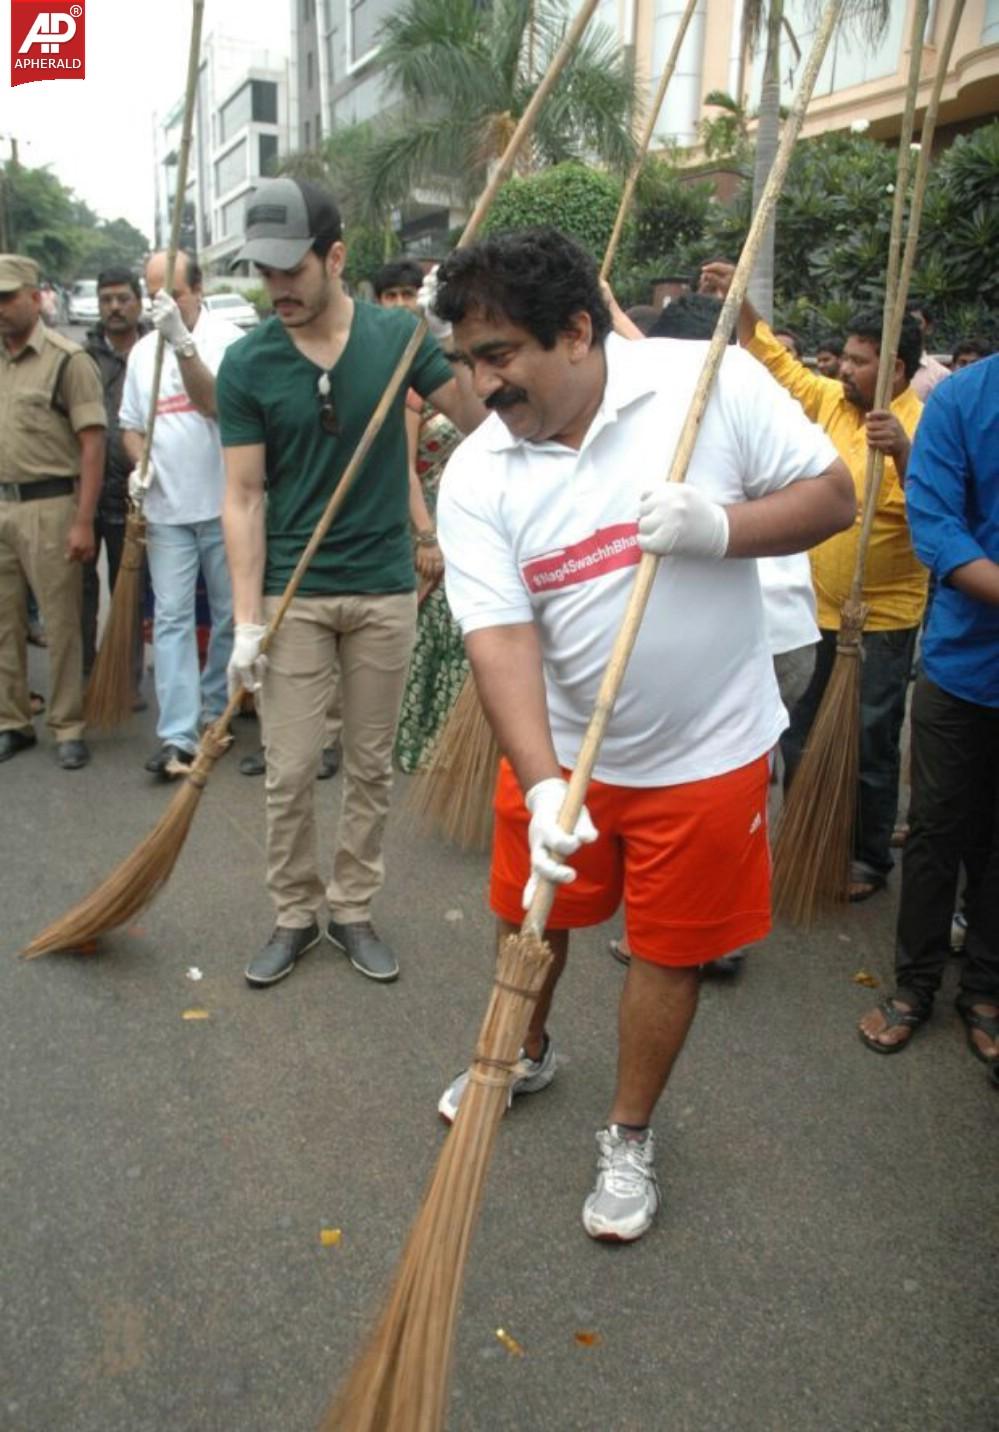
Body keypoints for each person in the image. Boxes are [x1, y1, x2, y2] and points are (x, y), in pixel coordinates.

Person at [431, 229, 853, 1242]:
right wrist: (539, 786)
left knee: (667, 954)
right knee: (529, 916)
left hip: (705, 754)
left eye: (500, 356)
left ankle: (629, 1133)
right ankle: (525, 1048)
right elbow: (499, 638)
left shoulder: (706, 386)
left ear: (576, 331)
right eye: (467, 360)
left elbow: (833, 497)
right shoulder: (479, 473)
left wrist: (720, 525)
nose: (481, 383)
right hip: (564, 750)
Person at [218, 177, 485, 988]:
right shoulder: (248, 362)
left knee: (369, 767)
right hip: (291, 598)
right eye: (264, 274)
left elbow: (481, 418)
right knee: (292, 769)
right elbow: (242, 496)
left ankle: (353, 907)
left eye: (291, 270)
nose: (277, 290)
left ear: (335, 256)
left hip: (382, 589)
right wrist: (243, 623)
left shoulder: (395, 338)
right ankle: (295, 913)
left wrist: (454, 333)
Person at [603, 285, 822, 977]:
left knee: (706, 778)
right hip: (795, 630)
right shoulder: (752, 388)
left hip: (753, 633)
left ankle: (696, 932)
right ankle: (718, 921)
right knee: (751, 771)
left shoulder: (712, 395)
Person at [701, 259, 927, 901]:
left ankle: (868, 857)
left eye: (859, 361)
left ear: (898, 372)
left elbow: (937, 513)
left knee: (873, 740)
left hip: (884, 617)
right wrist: (741, 297)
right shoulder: (831, 402)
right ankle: (806, 838)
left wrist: (905, 453)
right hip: (818, 609)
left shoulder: (925, 423)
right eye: (848, 358)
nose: (844, 368)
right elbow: (777, 362)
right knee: (799, 728)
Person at [858, 355, 999, 1073]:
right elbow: (936, 528)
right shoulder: (964, 403)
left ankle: (985, 989)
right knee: (936, 828)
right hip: (963, 668)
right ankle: (914, 986)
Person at [119, 251, 243, 778]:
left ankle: (215, 709)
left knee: (228, 615)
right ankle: (177, 734)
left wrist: (183, 343)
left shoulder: (228, 341)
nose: (161, 303)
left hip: (223, 504)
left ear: (197, 290)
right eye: (153, 295)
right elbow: (131, 425)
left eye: (171, 292)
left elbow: (216, 403)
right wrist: (138, 464)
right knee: (170, 618)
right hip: (167, 509)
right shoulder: (141, 353)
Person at [0, 254, 106, 769]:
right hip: (2, 502)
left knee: (62, 622)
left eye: (7, 297)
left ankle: (67, 724)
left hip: (51, 505)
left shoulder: (68, 361)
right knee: (3, 621)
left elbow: (92, 445)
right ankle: (13, 720)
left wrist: (83, 520)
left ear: (36, 297)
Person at [81, 267, 151, 705]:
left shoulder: (153, 351)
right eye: (106, 299)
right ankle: (88, 675)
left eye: (123, 298)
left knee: (129, 593)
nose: (114, 307)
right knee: (80, 594)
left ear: (138, 302)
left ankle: (125, 681)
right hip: (87, 495)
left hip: (137, 498)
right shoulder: (83, 358)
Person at [908, 303, 950, 401]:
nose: (910, 327)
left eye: (917, 322)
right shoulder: (880, 367)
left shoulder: (940, 375)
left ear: (929, 328)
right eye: (906, 322)